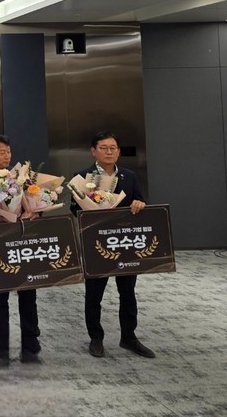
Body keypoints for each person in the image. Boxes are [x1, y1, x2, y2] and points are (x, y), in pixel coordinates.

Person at [70, 131, 155, 359]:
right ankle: (96, 337)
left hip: (124, 242)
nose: (109, 152)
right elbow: (74, 208)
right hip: (96, 243)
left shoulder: (130, 176)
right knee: (94, 293)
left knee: (127, 291)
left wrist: (140, 203)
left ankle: (129, 337)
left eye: (113, 148)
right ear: (93, 151)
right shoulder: (82, 176)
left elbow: (140, 199)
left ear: (118, 151)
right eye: (104, 148)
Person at [0, 133, 42, 363]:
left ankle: (31, 343)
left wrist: (34, 212)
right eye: (2, 152)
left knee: (28, 290)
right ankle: (1, 347)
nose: (7, 156)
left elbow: (37, 201)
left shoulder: (20, 176)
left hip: (22, 239)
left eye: (9, 151)